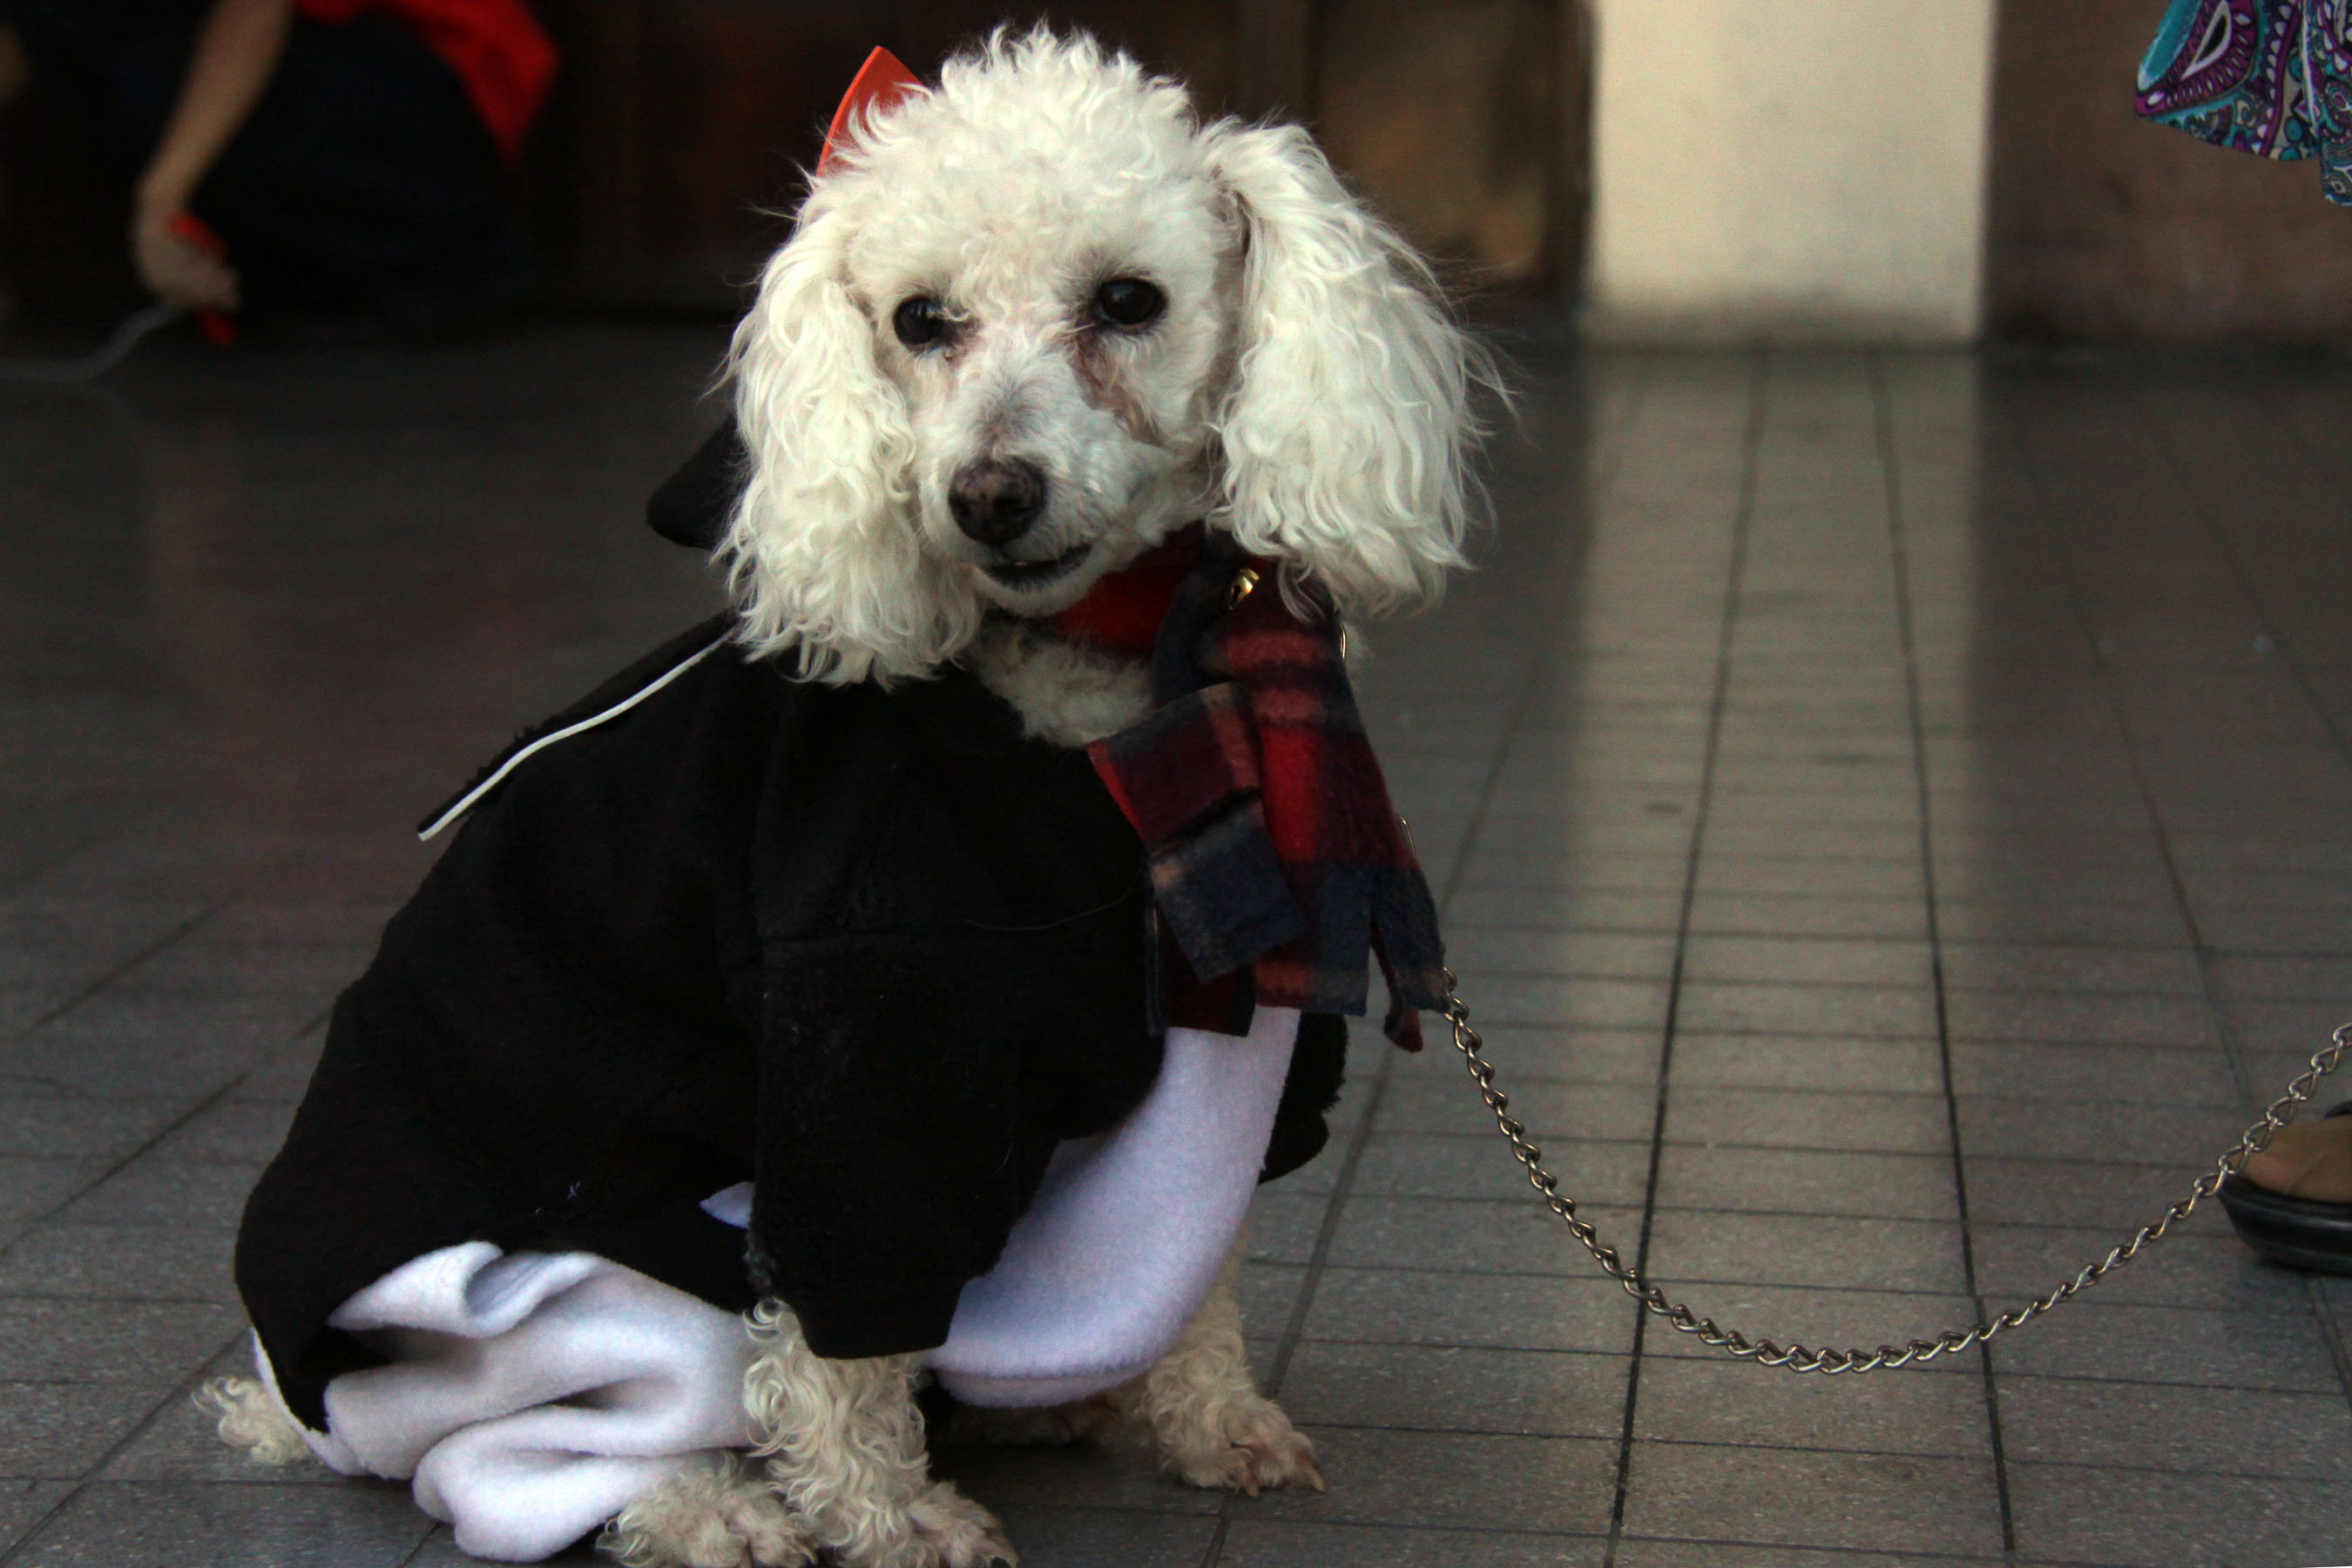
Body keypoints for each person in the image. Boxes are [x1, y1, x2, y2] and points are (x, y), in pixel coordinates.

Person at [0, 0, 554, 323]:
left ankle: (446, 262)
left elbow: (255, 12)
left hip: (441, 80)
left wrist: (161, 201)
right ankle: (291, 280)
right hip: (325, 56)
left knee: (157, 85)